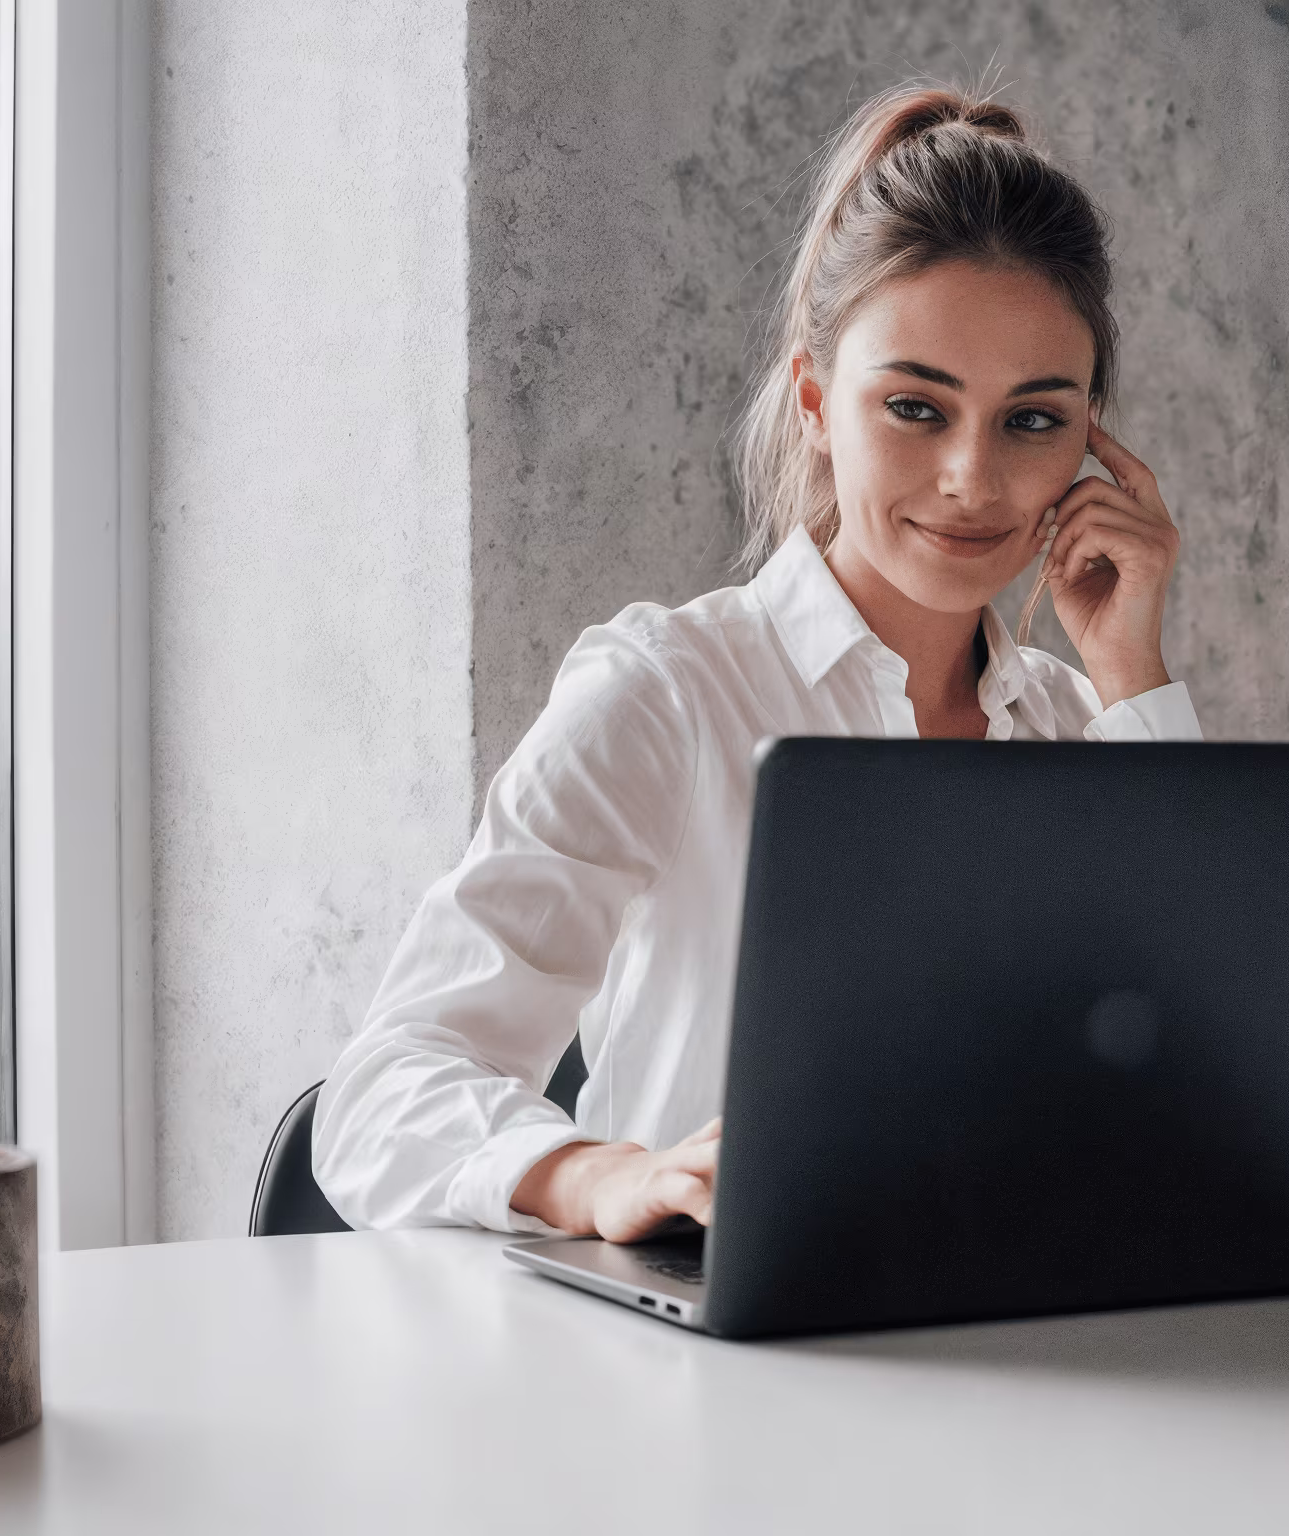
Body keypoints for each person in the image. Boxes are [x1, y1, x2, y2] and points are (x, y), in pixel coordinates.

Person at [313, 82, 1199, 1241]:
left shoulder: (1079, 724)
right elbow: (384, 1089)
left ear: (1092, 439)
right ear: (817, 401)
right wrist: (601, 1177)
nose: (973, 482)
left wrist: (1135, 677)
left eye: (1033, 420)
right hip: (717, 1368)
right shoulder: (669, 691)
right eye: (916, 409)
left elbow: (1200, 1090)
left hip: (1012, 1346)